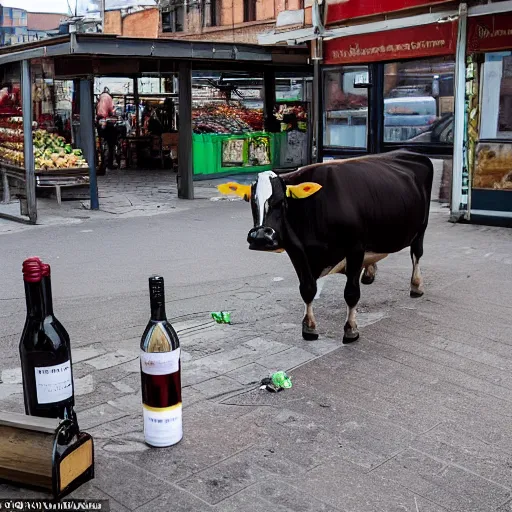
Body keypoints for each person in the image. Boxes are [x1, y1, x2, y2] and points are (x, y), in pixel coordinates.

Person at [96, 87, 118, 173]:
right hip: (108, 124)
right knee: (111, 144)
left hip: (100, 123)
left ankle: (102, 163)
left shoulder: (100, 98)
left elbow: (99, 111)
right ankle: (109, 163)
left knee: (101, 144)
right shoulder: (109, 98)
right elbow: (112, 111)